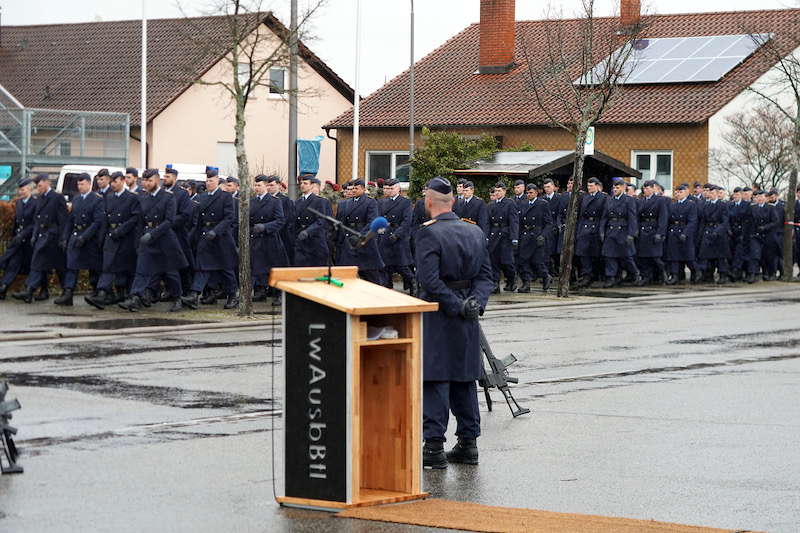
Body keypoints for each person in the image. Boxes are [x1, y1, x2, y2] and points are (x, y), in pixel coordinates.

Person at [414, 177, 493, 469]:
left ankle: (434, 447)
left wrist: (456, 305)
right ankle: (468, 444)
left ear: (429, 202)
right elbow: (486, 277)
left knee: (435, 377)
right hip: (466, 315)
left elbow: (430, 280)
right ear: (454, 202)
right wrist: (475, 303)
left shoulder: (428, 234)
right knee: (464, 378)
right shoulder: (474, 232)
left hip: (439, 313)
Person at [118, 169, 187, 312]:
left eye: (150, 181)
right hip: (147, 238)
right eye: (145, 180)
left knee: (170, 272)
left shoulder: (168, 197)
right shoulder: (143, 197)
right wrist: (139, 241)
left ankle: (178, 298)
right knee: (142, 270)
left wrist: (153, 234)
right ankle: (135, 298)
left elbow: (169, 221)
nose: (147, 184)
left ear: (157, 180)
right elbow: (140, 221)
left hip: (164, 239)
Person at [181, 169, 239, 310]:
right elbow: (198, 220)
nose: (208, 183)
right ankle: (194, 295)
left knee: (226, 269)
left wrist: (216, 231)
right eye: (207, 181)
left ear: (218, 181)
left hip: (221, 238)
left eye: (211, 181)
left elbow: (229, 218)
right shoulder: (202, 198)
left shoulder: (225, 197)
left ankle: (233, 295)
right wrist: (192, 238)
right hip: (205, 237)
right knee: (202, 268)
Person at [85, 171, 141, 309]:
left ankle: (123, 293)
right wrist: (102, 236)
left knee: (124, 268)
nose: (112, 185)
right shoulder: (109, 197)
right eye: (111, 182)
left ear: (122, 181)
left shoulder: (131, 198)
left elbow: (134, 218)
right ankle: (102, 293)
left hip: (125, 238)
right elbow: (106, 219)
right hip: (111, 236)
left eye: (115, 182)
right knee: (108, 266)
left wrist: (121, 231)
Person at [13, 174, 67, 303]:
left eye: (40, 186)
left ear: (47, 183)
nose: (38, 188)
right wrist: (35, 235)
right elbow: (37, 219)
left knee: (59, 267)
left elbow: (63, 220)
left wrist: (63, 238)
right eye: (37, 186)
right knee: (38, 263)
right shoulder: (39, 198)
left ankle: (66, 292)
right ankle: (31, 290)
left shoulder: (57, 197)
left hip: (53, 237)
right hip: (42, 236)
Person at [335, 179, 385, 284]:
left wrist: (360, 236)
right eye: (352, 188)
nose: (353, 190)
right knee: (347, 275)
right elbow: (340, 222)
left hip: (364, 241)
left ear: (363, 189)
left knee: (371, 275)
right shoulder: (345, 203)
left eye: (356, 188)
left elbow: (372, 221)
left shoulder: (370, 202)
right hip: (348, 241)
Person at [250, 174, 288, 302]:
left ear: (266, 185)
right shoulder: (252, 202)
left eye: (259, 185)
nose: (256, 188)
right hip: (256, 239)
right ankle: (261, 290)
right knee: (258, 266)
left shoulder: (274, 201)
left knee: (273, 267)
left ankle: (278, 293)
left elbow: (280, 220)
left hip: (270, 239)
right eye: (255, 185)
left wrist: (265, 227)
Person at [600, 177, 642, 287]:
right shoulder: (609, 200)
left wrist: (631, 234)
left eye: (617, 188)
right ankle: (611, 277)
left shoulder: (629, 200)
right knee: (609, 255)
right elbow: (605, 217)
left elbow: (632, 218)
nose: (615, 190)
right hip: (611, 230)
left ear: (623, 188)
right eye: (614, 188)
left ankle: (635, 273)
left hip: (623, 231)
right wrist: (602, 231)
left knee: (626, 256)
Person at [0, 179, 37, 300]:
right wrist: (14, 236)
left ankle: (35, 291)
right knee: (13, 263)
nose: (20, 192)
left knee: (35, 266)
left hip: (29, 241)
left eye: (23, 189)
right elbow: (17, 221)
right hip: (18, 240)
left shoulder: (36, 203)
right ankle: (3, 287)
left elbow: (34, 223)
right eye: (19, 189)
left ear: (29, 189)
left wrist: (23, 235)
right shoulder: (19, 203)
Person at [378, 178, 415, 294]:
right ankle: (388, 289)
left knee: (402, 266)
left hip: (398, 237)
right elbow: (378, 218)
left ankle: (414, 285)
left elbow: (407, 221)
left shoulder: (405, 202)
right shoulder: (381, 202)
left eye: (391, 188)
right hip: (384, 236)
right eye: (386, 188)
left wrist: (397, 234)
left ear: (398, 189)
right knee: (385, 267)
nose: (388, 190)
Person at [516, 183, 553, 292]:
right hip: (526, 235)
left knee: (537, 261)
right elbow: (520, 222)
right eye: (527, 193)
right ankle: (526, 283)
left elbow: (549, 223)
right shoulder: (523, 204)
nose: (529, 194)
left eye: (531, 192)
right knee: (523, 261)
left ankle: (546, 276)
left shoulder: (542, 204)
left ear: (536, 193)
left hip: (537, 235)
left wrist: (543, 235)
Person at [293, 175, 332, 268]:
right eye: (301, 183)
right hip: (301, 241)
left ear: (311, 186)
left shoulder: (319, 201)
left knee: (317, 272)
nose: (302, 185)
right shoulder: (298, 202)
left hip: (315, 241)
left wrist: (308, 231)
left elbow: (321, 220)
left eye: (305, 183)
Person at [486, 182, 519, 293]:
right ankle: (495, 284)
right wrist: (486, 236)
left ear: (504, 191)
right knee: (493, 261)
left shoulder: (510, 203)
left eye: (500, 191)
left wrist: (514, 237)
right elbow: (487, 223)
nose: (497, 193)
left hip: (505, 235)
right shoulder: (491, 205)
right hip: (494, 234)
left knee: (507, 261)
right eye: (496, 191)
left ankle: (511, 280)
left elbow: (514, 221)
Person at [575, 177, 606, 288]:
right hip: (585, 227)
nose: (589, 188)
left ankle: (598, 274)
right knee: (583, 253)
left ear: (597, 186)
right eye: (588, 186)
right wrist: (579, 230)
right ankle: (587, 275)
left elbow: (604, 215)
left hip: (596, 226)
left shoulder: (603, 197)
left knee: (596, 254)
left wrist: (601, 230)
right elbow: (581, 215)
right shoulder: (585, 197)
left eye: (591, 186)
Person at [635, 179, 668, 284]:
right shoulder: (642, 201)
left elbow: (663, 218)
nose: (645, 190)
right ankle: (646, 276)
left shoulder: (659, 200)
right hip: (643, 230)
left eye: (647, 188)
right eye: (644, 188)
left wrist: (660, 232)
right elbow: (638, 217)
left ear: (653, 188)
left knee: (655, 257)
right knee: (643, 257)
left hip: (654, 230)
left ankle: (663, 274)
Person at [697, 185, 732, 284]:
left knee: (720, 256)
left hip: (719, 233)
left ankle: (722, 275)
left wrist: (717, 231)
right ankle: (708, 275)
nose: (710, 195)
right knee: (707, 255)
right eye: (709, 193)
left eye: (712, 193)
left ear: (717, 194)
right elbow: (703, 221)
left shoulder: (722, 205)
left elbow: (725, 221)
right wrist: (701, 233)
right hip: (708, 231)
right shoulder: (706, 205)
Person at [664, 185, 699, 284]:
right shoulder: (672, 205)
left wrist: (685, 233)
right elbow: (669, 220)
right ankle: (675, 275)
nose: (678, 194)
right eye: (677, 193)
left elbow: (692, 221)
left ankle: (695, 271)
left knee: (688, 257)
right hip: (673, 232)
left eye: (680, 192)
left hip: (685, 232)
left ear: (685, 193)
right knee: (674, 256)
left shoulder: (690, 204)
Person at [749, 190, 779, 283]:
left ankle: (769, 273)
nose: (760, 199)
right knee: (755, 255)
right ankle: (753, 274)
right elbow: (750, 221)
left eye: (761, 197)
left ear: (765, 198)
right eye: (758, 197)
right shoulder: (753, 208)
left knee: (767, 256)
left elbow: (775, 221)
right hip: (756, 236)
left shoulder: (771, 208)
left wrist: (765, 227)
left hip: (767, 236)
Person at [267, 175, 296, 265]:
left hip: (282, 236)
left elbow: (287, 219)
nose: (269, 188)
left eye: (272, 185)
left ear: (279, 185)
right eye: (268, 185)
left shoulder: (285, 200)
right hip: (268, 236)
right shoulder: (266, 199)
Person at [728, 187, 753, 281]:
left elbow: (748, 221)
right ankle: (736, 272)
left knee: (739, 252)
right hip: (732, 232)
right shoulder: (730, 205)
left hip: (743, 232)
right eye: (734, 194)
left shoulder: (747, 205)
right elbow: (728, 218)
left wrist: (744, 233)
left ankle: (735, 270)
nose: (735, 196)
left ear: (742, 195)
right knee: (732, 252)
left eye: (737, 194)